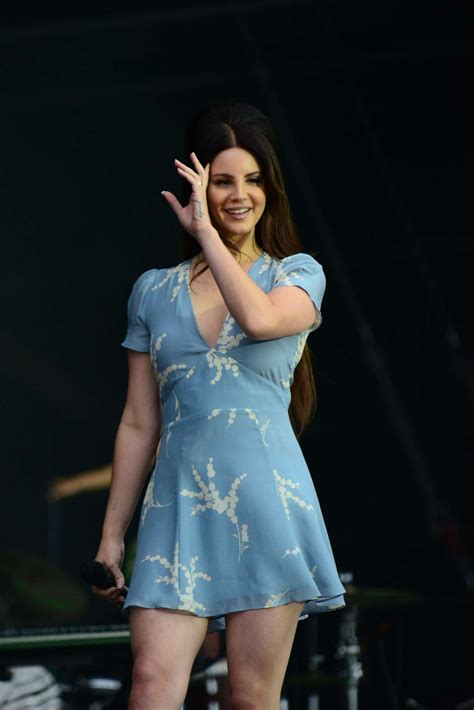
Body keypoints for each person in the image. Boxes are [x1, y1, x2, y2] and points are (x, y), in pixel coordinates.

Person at [92, 100, 346, 709]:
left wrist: (205, 231)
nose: (238, 195)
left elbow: (258, 321)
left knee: (250, 697)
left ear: (271, 189)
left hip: (265, 504)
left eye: (253, 180)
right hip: (175, 510)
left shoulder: (297, 274)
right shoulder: (152, 290)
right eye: (223, 180)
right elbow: (138, 421)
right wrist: (110, 535)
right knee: (151, 684)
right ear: (195, 180)